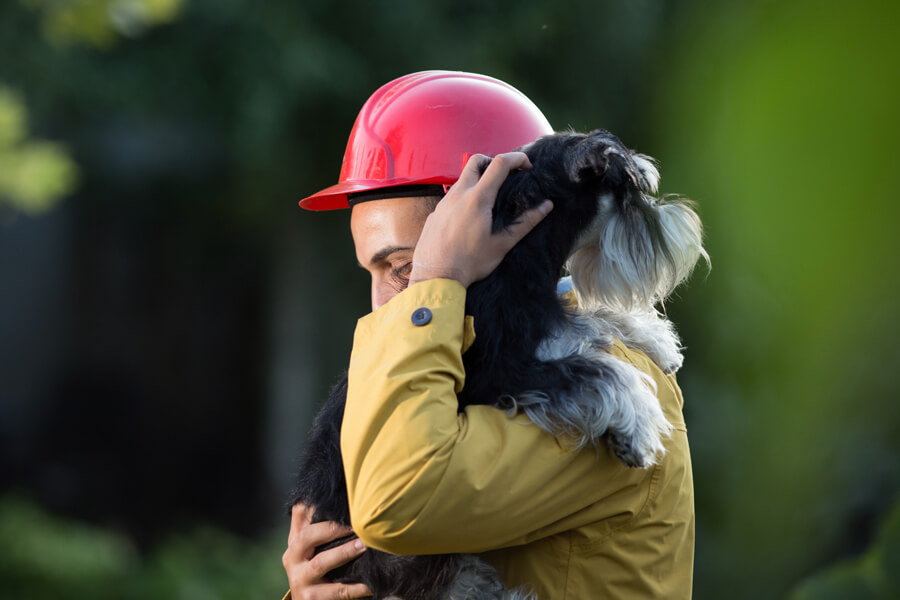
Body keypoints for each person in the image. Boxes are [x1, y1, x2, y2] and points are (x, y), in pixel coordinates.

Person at [283, 71, 694, 600]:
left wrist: (438, 282)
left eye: (405, 267)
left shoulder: (609, 385)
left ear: (506, 229)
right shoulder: (455, 371)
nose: (384, 305)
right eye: (373, 272)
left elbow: (395, 503)